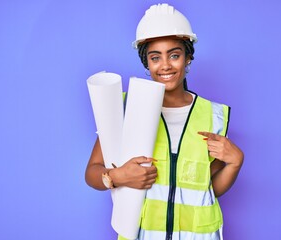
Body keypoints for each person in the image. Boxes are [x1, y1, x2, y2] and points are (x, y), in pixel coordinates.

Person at [85, 3, 244, 240]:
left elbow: (208, 189)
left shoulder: (213, 115)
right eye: (155, 57)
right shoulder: (125, 108)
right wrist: (116, 177)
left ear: (188, 57)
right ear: (146, 63)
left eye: (175, 55)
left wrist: (235, 163)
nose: (166, 65)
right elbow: (92, 172)